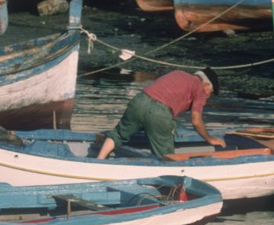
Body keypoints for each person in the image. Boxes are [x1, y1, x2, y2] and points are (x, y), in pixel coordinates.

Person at [97, 68, 226, 160]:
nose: (208, 96)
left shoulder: (178, 73)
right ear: (206, 84)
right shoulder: (201, 89)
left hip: (140, 100)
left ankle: (99, 161)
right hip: (159, 112)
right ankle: (167, 181)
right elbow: (196, 120)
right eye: (211, 91)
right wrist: (209, 138)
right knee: (167, 156)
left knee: (118, 134)